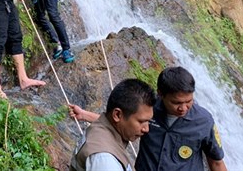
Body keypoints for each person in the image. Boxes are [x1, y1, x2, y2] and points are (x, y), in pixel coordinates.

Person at [69, 67, 227, 171]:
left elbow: (216, 162)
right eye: (176, 103)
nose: (183, 108)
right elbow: (123, 122)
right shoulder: (148, 110)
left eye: (189, 102)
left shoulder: (203, 121)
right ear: (161, 94)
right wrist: (84, 115)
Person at [70, 78, 156, 171]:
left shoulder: (102, 130)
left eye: (148, 121)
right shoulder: (105, 161)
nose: (146, 129)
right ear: (117, 115)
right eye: (141, 121)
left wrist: (84, 114)